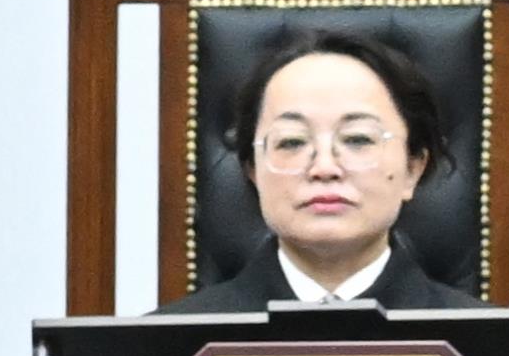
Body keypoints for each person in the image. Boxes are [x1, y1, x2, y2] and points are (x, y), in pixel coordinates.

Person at [162, 24, 474, 309]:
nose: (324, 168)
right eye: (292, 142)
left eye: (358, 139)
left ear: (413, 169)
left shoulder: (485, 343)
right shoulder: (170, 343)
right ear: (253, 170)